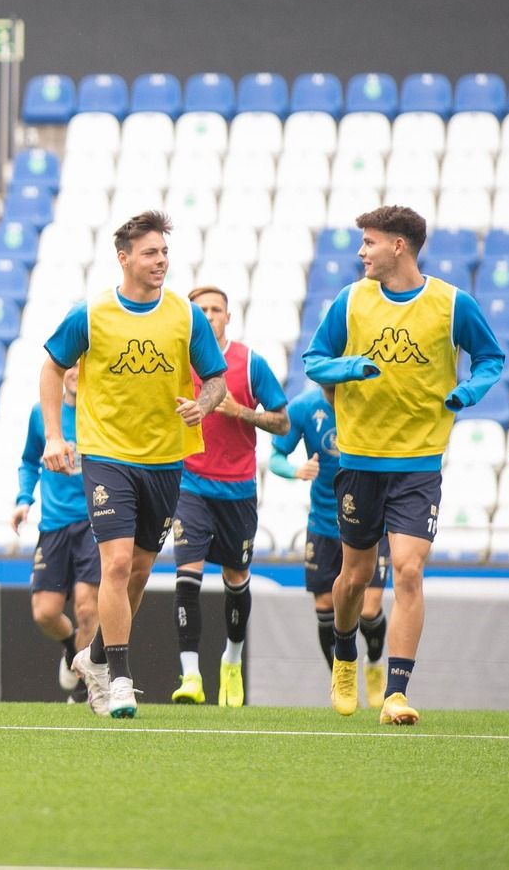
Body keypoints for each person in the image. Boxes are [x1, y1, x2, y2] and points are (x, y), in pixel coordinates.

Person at [301, 204, 505, 726]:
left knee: (408, 571)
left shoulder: (452, 304)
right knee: (354, 576)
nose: (360, 251)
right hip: (359, 460)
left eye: (368, 242)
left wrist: (468, 391)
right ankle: (345, 654)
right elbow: (314, 359)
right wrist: (351, 366)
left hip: (418, 462)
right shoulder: (350, 300)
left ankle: (395, 692)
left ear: (398, 246)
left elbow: (491, 358)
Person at [38, 209, 229, 721]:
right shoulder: (92, 313)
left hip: (165, 459)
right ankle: (120, 677)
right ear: (124, 259)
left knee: (140, 571)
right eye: (150, 252)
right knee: (117, 564)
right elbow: (53, 367)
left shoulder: (185, 317)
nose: (161, 261)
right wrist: (56, 434)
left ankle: (95, 657)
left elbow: (216, 379)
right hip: (107, 456)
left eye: (165, 252)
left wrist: (204, 405)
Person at [170, 286, 290, 708]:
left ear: (227, 316)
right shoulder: (177, 362)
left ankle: (232, 662)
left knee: (236, 580)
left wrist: (241, 412)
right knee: (187, 573)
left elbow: (282, 423)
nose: (208, 315)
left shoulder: (249, 362)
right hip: (190, 483)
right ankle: (189, 675)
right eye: (199, 310)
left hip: (238, 488)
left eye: (215, 309)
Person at [269, 385, 391, 706]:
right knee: (325, 605)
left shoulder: (367, 399)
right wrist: (296, 470)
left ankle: (375, 663)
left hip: (369, 517)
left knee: (368, 608)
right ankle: (340, 676)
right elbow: (275, 456)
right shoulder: (304, 407)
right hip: (323, 523)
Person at [12, 364, 98, 703]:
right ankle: (70, 647)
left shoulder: (101, 412)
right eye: (71, 365)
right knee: (45, 613)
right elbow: (28, 460)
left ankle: (84, 687)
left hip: (94, 522)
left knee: (88, 609)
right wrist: (23, 500)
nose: (76, 371)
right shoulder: (42, 415)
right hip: (54, 525)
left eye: (83, 364)